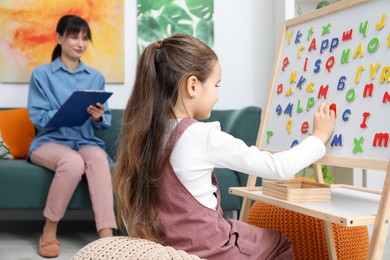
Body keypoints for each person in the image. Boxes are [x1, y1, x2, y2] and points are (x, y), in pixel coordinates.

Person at [113, 34, 336, 259]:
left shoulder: (144, 135)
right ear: (192, 85)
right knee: (278, 242)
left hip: (167, 248)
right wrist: (318, 136)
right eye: (215, 85)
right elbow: (278, 167)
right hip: (210, 251)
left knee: (239, 227)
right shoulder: (201, 135)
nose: (217, 95)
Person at [27, 15, 116, 258]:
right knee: (72, 162)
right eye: (74, 36)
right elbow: (38, 117)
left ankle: (106, 237)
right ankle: (49, 228)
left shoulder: (95, 77)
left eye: (85, 38)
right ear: (59, 38)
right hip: (50, 143)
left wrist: (97, 116)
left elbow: (104, 121)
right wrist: (68, 110)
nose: (81, 43)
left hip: (85, 141)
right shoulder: (41, 75)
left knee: (98, 158)